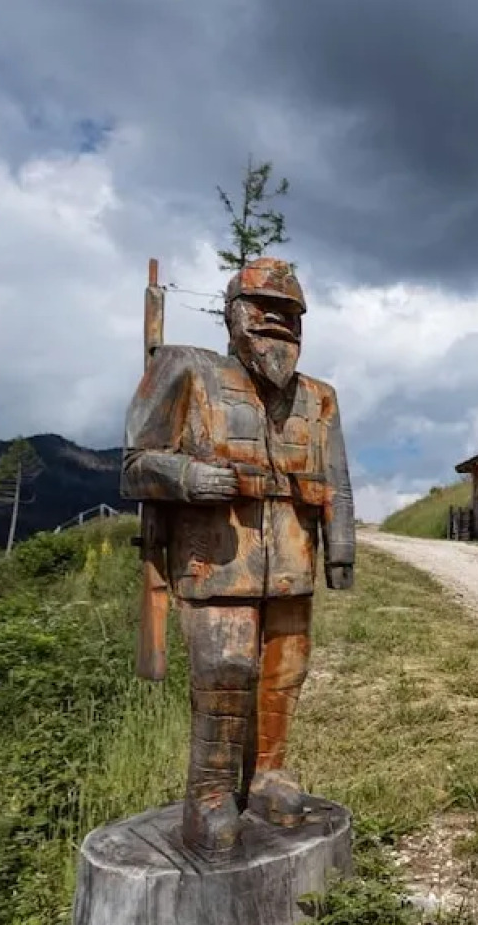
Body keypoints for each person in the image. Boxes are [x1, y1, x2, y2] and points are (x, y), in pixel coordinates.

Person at [121, 256, 356, 851]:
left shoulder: (319, 398)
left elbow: (338, 481)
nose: (277, 323)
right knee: (225, 676)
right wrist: (189, 477)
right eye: (263, 310)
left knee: (284, 676)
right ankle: (210, 794)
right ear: (232, 315)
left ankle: (269, 774)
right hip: (217, 564)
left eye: (290, 314)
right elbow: (133, 466)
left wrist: (340, 552)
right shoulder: (185, 369)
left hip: (293, 566)